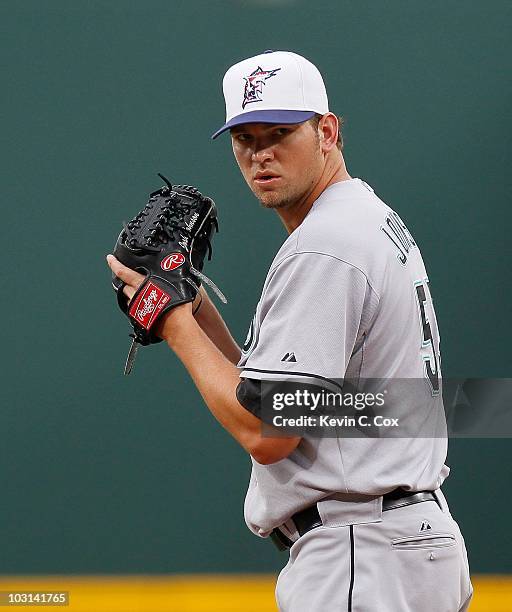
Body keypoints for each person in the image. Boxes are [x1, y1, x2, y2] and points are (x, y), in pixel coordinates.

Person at [106, 50, 473, 611]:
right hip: (403, 547)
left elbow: (269, 432)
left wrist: (172, 319)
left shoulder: (324, 246)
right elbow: (271, 394)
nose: (262, 154)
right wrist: (194, 304)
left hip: (362, 555)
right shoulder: (364, 218)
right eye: (246, 139)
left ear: (327, 131)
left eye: (281, 131)